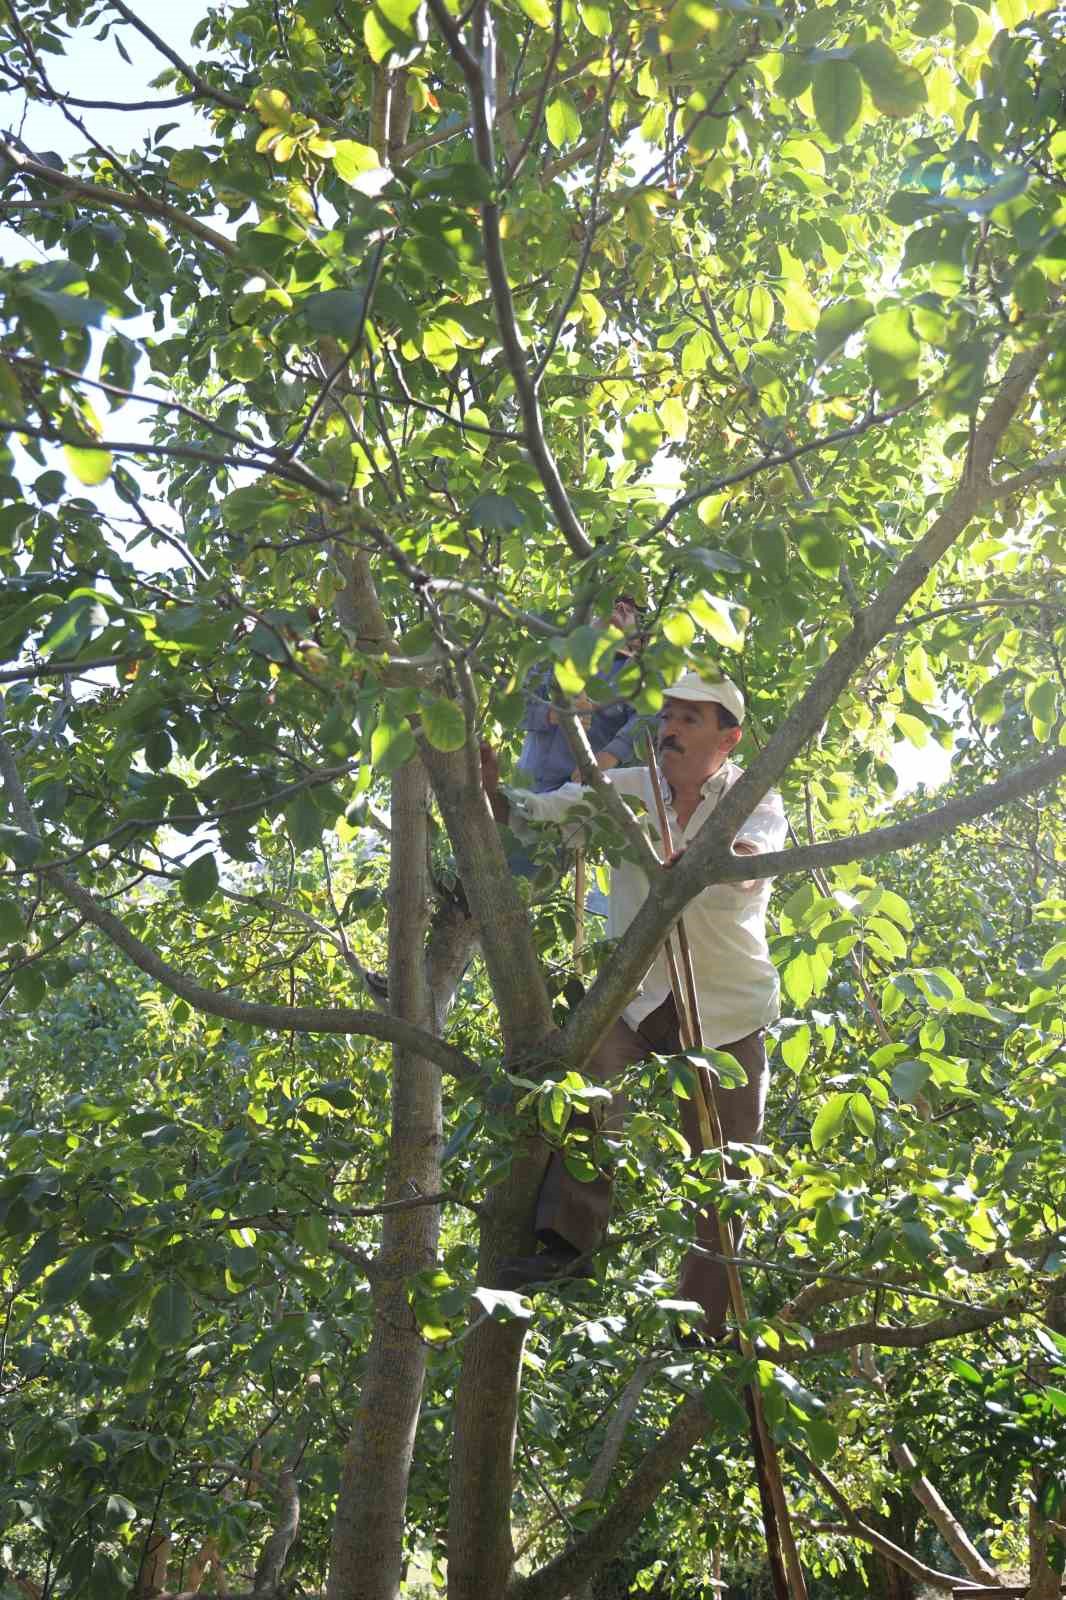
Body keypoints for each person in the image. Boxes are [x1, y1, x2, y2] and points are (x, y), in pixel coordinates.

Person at [482, 669, 787, 1339]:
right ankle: (567, 1247)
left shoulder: (754, 799)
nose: (671, 728)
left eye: (690, 719)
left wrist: (703, 856)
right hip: (640, 996)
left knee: (729, 1168)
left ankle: (703, 1323)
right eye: (668, 714)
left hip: (729, 1015)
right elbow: (546, 809)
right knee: (584, 1085)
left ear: (728, 739)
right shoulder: (629, 790)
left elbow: (753, 862)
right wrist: (485, 788)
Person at [517, 596, 645, 794]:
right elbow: (515, 708)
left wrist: (607, 758)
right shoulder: (555, 652)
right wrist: (553, 714)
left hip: (581, 796)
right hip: (526, 789)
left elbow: (647, 719)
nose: (620, 607)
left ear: (639, 639)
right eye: (615, 601)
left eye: (631, 610)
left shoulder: (638, 674)